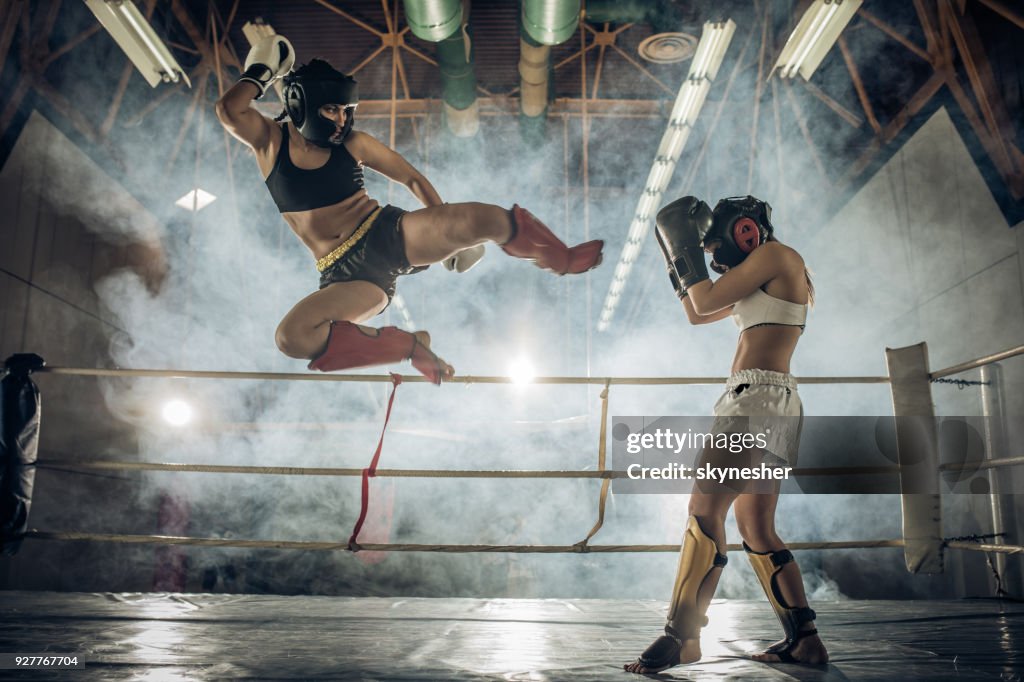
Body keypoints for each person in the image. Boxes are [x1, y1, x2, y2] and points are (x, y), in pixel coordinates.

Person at [214, 36, 603, 384]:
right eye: (333, 109)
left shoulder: (355, 143)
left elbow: (411, 178)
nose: (342, 120)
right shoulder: (270, 141)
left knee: (478, 219)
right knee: (291, 338)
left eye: (347, 110)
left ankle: (560, 256)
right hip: (344, 276)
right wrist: (260, 73)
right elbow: (230, 110)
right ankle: (412, 347)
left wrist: (448, 233)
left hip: (385, 234)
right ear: (303, 105)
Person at [623, 195, 828, 673]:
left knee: (703, 509)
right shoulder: (764, 271)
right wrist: (679, 256)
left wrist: (681, 244)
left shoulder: (776, 255)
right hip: (768, 402)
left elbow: (706, 298)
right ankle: (806, 641)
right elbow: (698, 313)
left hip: (756, 401)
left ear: (748, 228)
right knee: (755, 526)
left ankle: (681, 637)